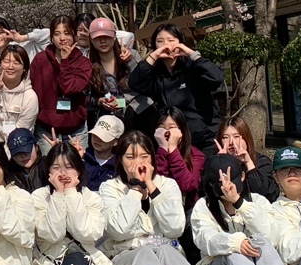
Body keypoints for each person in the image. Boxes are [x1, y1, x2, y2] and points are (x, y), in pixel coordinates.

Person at [32, 140, 163, 265]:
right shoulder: (38, 197)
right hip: (51, 264)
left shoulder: (91, 197)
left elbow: (87, 233)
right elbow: (52, 234)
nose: (63, 173)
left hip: (90, 261)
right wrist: (59, 195)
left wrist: (72, 194)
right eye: (56, 167)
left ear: (79, 170)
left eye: (69, 167)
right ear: (48, 171)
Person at [99, 130, 209, 265]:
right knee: (145, 252)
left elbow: (175, 228)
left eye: (144, 156)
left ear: (152, 158)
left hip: (164, 253)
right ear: (120, 160)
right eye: (130, 157)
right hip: (125, 258)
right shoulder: (109, 188)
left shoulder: (168, 185)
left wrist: (152, 188)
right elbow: (118, 230)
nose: (138, 163)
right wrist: (135, 190)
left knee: (167, 249)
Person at [128, 23, 225, 151]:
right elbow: (135, 83)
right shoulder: (156, 75)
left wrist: (191, 53)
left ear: (180, 42)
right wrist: (153, 56)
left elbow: (217, 77)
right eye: (160, 41)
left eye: (171, 40)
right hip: (175, 141)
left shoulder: (194, 67)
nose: (166, 45)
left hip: (206, 138)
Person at [28, 15, 93, 148]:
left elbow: (70, 88)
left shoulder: (83, 63)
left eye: (67, 33)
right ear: (52, 37)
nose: (62, 38)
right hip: (46, 128)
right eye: (57, 34)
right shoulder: (40, 60)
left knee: (77, 161)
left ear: (74, 35)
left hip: (75, 129)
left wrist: (64, 62)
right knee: (48, 162)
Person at [215, 117, 279, 201]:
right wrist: (220, 163)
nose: (231, 142)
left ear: (246, 138)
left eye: (236, 136)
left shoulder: (262, 161)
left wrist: (248, 163)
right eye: (225, 137)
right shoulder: (213, 162)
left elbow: (269, 194)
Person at [153, 109, 205, 208]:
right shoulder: (151, 153)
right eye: (161, 128)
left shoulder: (196, 155)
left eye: (172, 127)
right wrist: (162, 150)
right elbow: (157, 182)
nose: (166, 132)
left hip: (188, 209)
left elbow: (187, 185)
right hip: (160, 206)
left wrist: (173, 150)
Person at [88, 17, 134, 119]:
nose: (103, 41)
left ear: (114, 36)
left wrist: (130, 62)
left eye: (107, 36)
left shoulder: (132, 55)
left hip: (137, 114)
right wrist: (99, 101)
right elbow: (85, 97)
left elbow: (144, 82)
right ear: (91, 40)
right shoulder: (88, 64)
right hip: (108, 117)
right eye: (98, 38)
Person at [83, 115, 124, 193]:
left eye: (103, 137)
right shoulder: (83, 159)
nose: (97, 139)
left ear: (115, 142)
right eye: (95, 134)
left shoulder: (119, 166)